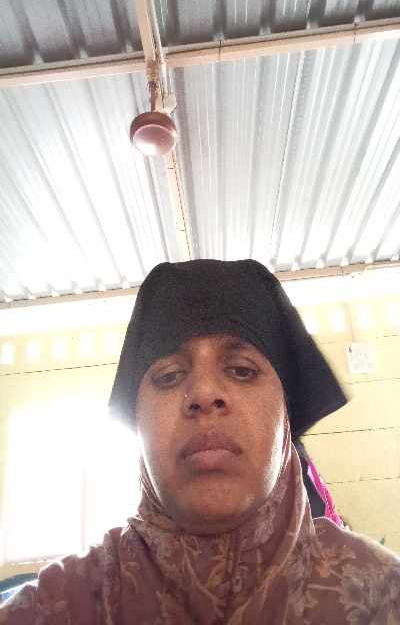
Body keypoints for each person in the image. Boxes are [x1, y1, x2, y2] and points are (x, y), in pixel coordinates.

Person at [1, 259, 399, 624]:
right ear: (137, 419)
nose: (205, 393)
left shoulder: (381, 596)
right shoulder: (57, 607)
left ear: (286, 414)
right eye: (169, 376)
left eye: (242, 370)